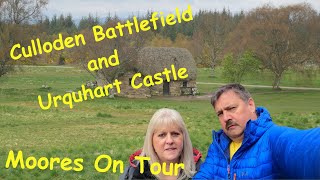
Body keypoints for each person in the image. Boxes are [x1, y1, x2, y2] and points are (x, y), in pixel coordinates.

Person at [194, 83, 320, 179]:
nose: (226, 117)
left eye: (231, 108)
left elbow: (305, 147)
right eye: (220, 113)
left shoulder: (273, 140)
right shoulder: (218, 148)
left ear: (251, 105)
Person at [120, 108, 202, 180]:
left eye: (175, 134)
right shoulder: (134, 172)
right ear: (151, 140)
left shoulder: (201, 171)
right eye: (162, 135)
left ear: (184, 137)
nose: (169, 141)